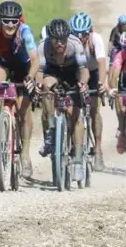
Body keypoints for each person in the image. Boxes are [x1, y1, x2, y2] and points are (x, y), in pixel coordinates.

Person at [0, 0, 39, 176]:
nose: (10, 25)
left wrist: (30, 78)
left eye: (14, 22)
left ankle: (25, 154)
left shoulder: (25, 32)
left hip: (22, 66)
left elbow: (35, 60)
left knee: (23, 111)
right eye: (6, 21)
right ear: (0, 20)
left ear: (20, 21)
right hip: (2, 62)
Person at [34, 18, 91, 160]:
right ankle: (52, 130)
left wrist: (83, 83)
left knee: (75, 114)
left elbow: (84, 70)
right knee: (46, 86)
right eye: (56, 40)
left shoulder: (75, 44)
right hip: (54, 72)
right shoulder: (43, 46)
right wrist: (38, 85)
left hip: (73, 73)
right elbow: (40, 71)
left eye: (63, 40)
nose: (60, 43)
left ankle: (78, 156)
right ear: (50, 38)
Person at [69, 11, 109, 170]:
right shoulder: (70, 41)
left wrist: (101, 83)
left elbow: (102, 63)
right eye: (76, 34)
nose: (80, 38)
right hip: (76, 72)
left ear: (89, 32)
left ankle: (98, 150)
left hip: (92, 72)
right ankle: (74, 143)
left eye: (84, 34)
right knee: (73, 109)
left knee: (93, 109)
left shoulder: (96, 39)